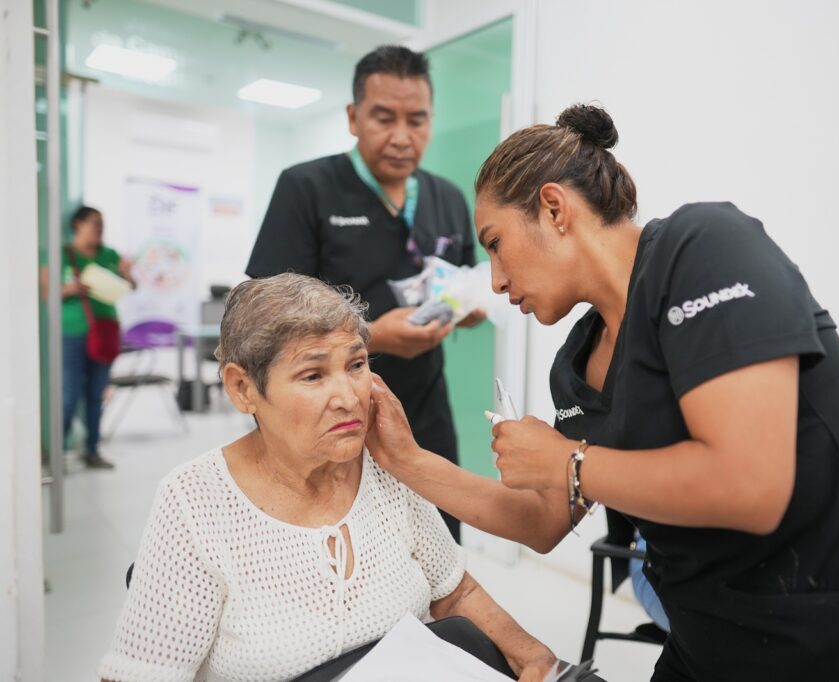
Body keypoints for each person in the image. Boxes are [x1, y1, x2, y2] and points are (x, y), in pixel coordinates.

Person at [364, 104, 839, 681]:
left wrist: (567, 463)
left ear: (554, 209)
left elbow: (750, 486)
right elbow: (541, 521)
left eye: (496, 244)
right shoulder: (575, 366)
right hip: (713, 642)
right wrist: (405, 460)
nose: (497, 280)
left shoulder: (704, 249)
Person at [98, 273, 555, 682]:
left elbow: (454, 592)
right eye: (313, 375)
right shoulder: (194, 500)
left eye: (356, 365)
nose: (348, 397)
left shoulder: (385, 465)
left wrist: (534, 655)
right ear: (242, 388)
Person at [246, 45, 483, 542]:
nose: (401, 137)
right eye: (383, 118)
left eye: (416, 120)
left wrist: (466, 309)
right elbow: (265, 320)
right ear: (353, 118)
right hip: (324, 412)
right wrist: (373, 337)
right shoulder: (306, 188)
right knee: (337, 549)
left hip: (424, 409)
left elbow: (462, 283)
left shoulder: (447, 198)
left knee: (438, 542)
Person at [47, 206, 135, 469]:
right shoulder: (63, 254)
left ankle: (92, 450)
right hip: (72, 334)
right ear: (78, 224)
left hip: (105, 332)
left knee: (97, 395)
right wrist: (71, 288)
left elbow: (131, 286)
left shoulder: (109, 254)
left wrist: (127, 273)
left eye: (102, 224)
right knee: (70, 395)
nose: (100, 229)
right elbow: (46, 292)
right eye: (95, 223)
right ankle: (56, 454)